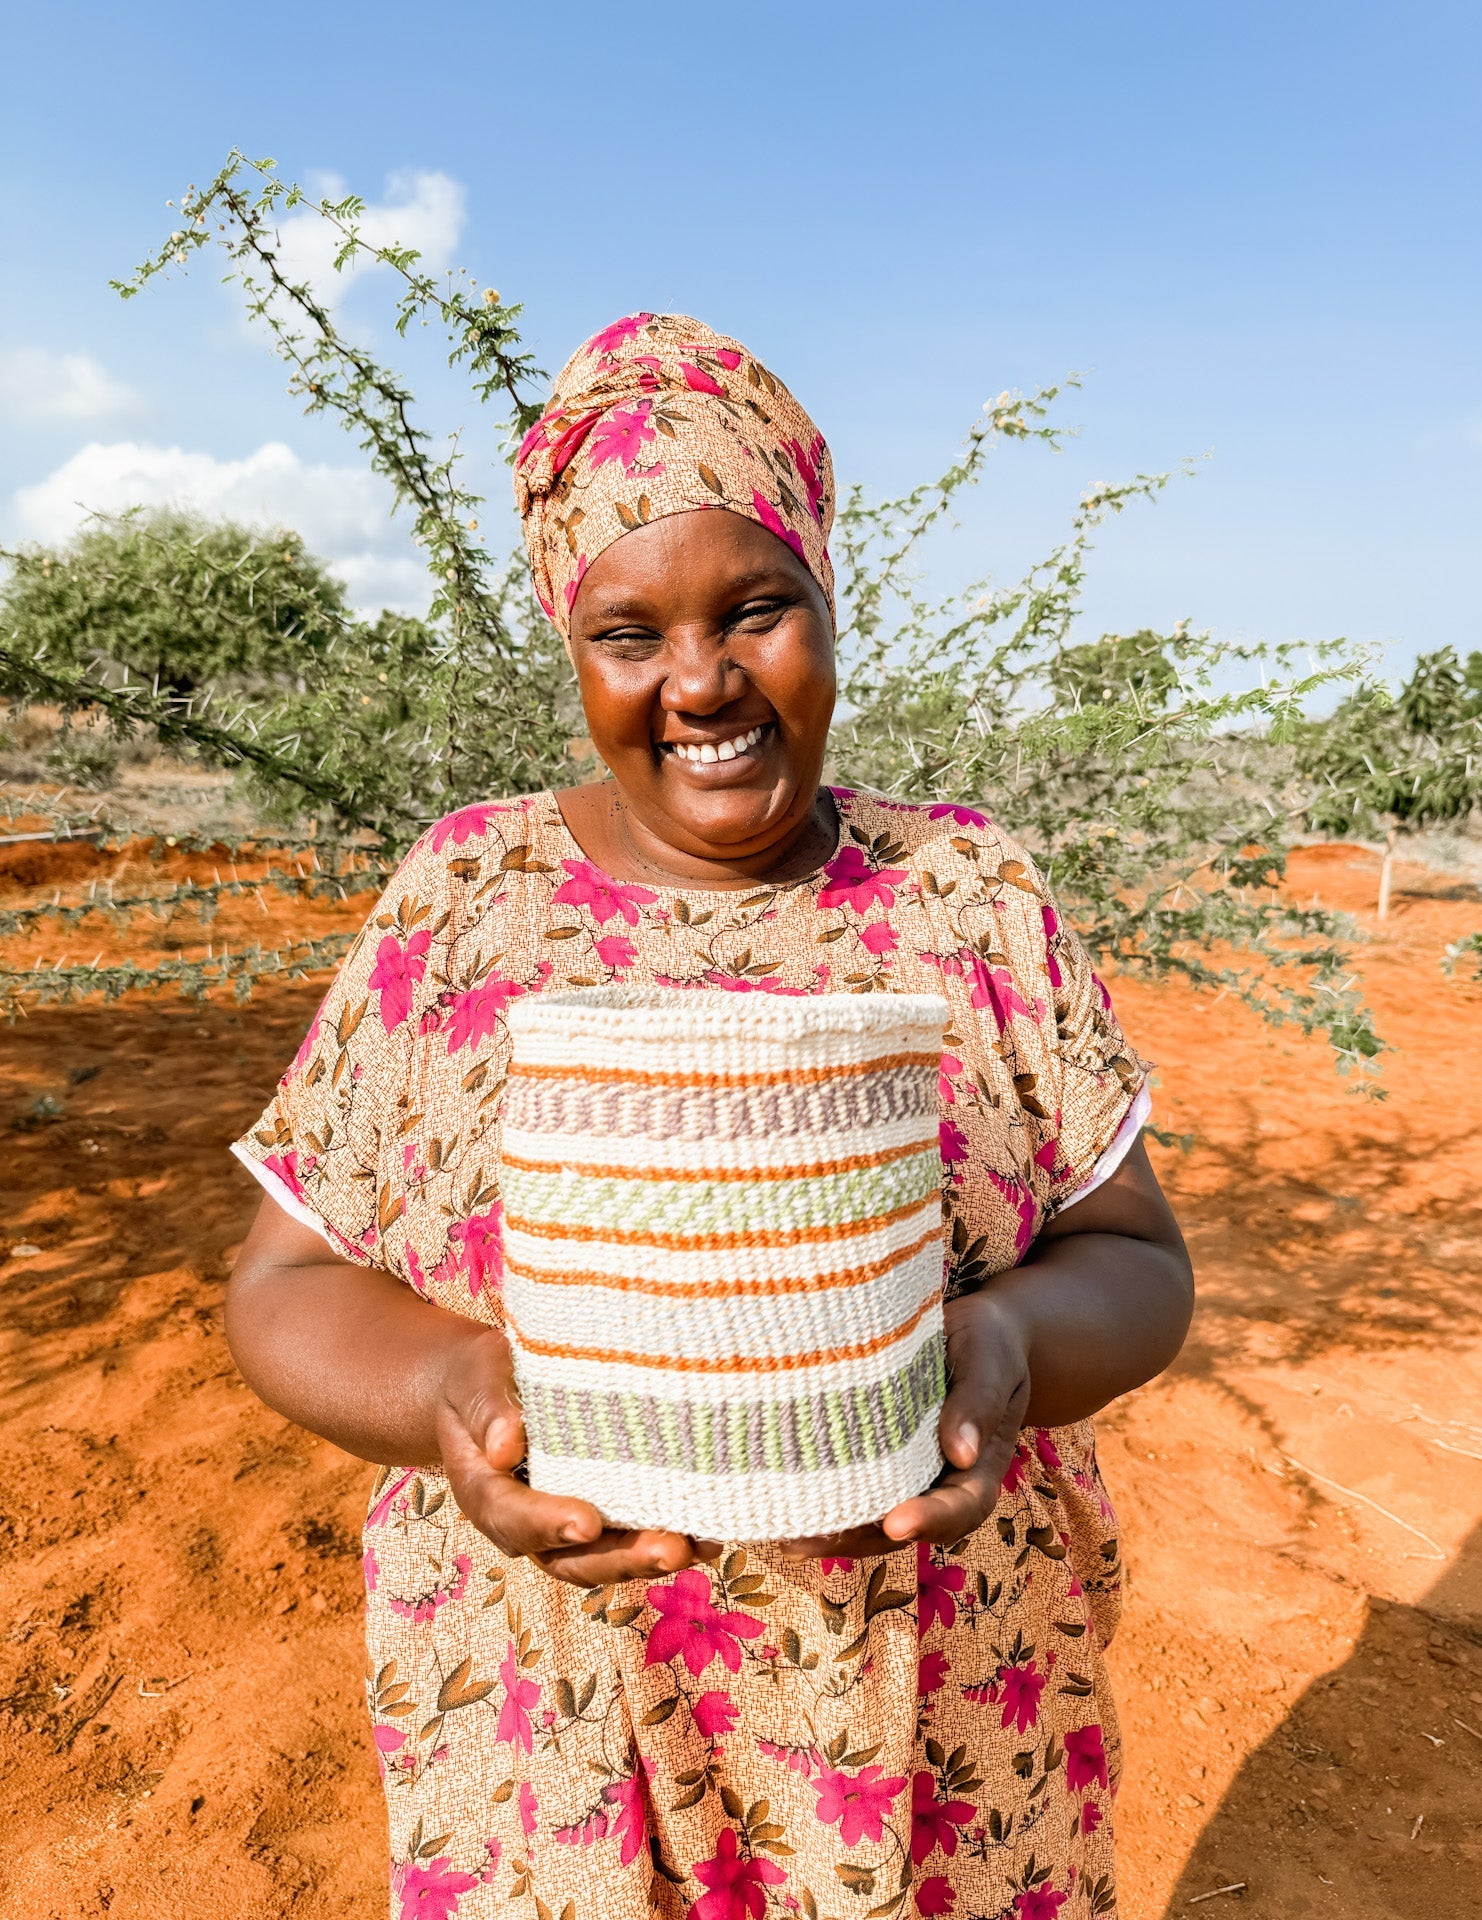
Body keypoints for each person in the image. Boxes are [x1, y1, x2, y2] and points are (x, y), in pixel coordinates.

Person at [227, 313, 1193, 1920]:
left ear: (828, 602)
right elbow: (281, 1286)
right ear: (570, 640)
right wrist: (453, 1397)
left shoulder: (969, 893)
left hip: (934, 1705)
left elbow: (1136, 1253)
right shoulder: (464, 900)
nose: (701, 684)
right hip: (557, 1713)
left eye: (758, 610)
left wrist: (1010, 1349)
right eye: (630, 634)